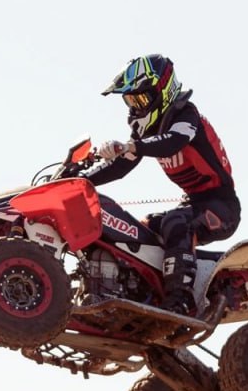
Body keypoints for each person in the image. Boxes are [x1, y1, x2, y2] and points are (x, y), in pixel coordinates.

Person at [87, 54, 240, 317]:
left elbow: (174, 142)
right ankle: (137, 293)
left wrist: (130, 146)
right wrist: (81, 179)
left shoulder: (186, 114)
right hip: (192, 203)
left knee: (176, 223)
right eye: (131, 101)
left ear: (162, 91)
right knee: (138, 228)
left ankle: (180, 301)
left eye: (141, 99)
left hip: (221, 206)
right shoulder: (145, 131)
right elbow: (121, 166)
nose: (136, 107)